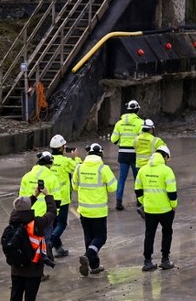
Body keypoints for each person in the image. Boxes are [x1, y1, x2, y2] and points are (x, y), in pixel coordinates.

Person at [72, 143, 116, 276]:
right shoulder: (103, 168)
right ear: (101, 154)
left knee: (89, 237)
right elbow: (113, 187)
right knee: (101, 237)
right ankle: (89, 255)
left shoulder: (79, 167)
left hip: (84, 210)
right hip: (98, 211)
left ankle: (93, 265)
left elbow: (74, 186)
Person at [8, 190, 57, 301]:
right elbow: (52, 212)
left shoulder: (12, 221)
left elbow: (20, 208)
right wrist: (47, 195)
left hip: (16, 268)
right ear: (29, 208)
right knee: (30, 297)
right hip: (33, 270)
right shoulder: (37, 223)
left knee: (15, 296)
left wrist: (34, 196)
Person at [135, 144, 177, 271]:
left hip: (149, 209)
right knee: (167, 233)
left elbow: (138, 189)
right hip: (166, 210)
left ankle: (147, 261)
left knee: (149, 234)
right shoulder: (166, 171)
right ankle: (165, 259)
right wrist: (173, 206)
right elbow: (172, 193)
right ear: (164, 156)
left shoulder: (143, 170)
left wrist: (144, 201)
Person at [47, 135, 79, 257]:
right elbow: (78, 169)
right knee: (61, 224)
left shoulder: (48, 159)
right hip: (63, 197)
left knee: (54, 223)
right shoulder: (66, 162)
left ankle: (58, 247)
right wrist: (76, 157)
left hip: (48, 196)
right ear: (61, 148)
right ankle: (51, 242)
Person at [110, 99, 143, 211]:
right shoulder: (140, 123)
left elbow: (113, 140)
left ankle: (118, 201)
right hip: (135, 154)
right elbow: (142, 140)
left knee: (121, 179)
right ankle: (139, 201)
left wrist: (122, 142)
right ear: (137, 110)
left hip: (123, 154)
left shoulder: (119, 123)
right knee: (137, 179)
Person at [18, 152, 61, 233]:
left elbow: (21, 198)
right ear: (50, 164)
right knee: (44, 243)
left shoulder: (26, 177)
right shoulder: (53, 178)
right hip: (45, 219)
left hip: (28, 218)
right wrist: (54, 215)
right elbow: (57, 201)